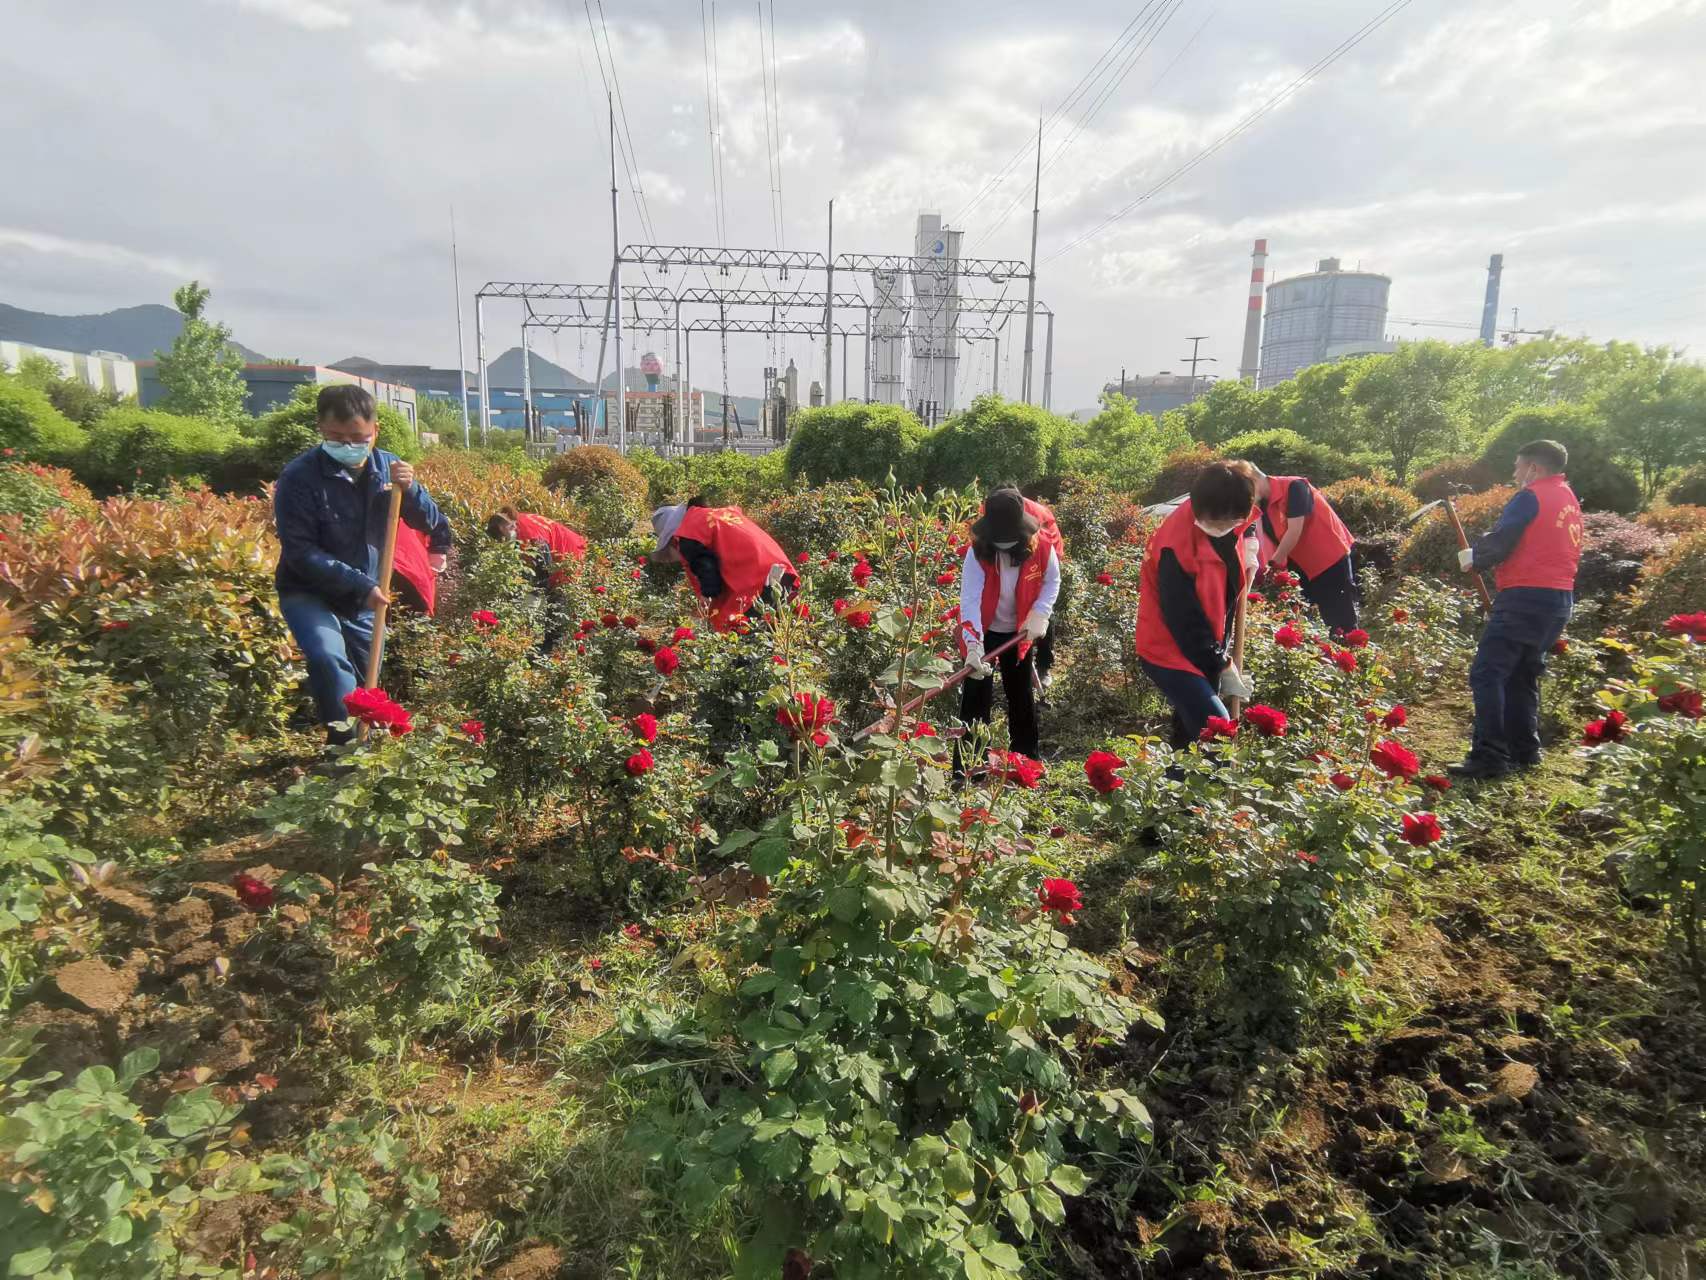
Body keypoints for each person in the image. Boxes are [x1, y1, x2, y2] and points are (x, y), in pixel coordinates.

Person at [274, 385, 453, 741]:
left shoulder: (389, 470)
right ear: (321, 429)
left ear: (376, 431)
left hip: (366, 598)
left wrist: (413, 490)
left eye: (358, 437)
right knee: (329, 660)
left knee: (363, 678)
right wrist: (360, 584)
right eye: (336, 437)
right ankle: (344, 756)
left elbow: (429, 520)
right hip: (310, 590)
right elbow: (301, 552)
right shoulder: (299, 478)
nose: (347, 445)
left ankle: (365, 749)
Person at [1447, 439, 1583, 781]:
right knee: (1523, 675)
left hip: (1525, 597)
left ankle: (1489, 756)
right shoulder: (1567, 497)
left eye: (1518, 466)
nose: (1515, 472)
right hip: (1558, 600)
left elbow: (1505, 537)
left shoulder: (1531, 495)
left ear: (1534, 468)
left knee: (1487, 673)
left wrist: (1475, 559)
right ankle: (1525, 752)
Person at [1134, 462, 1261, 747]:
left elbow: (1246, 519)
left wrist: (1249, 541)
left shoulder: (1230, 511)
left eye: (1232, 522)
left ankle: (1177, 788)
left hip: (1208, 643)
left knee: (1192, 737)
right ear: (1198, 507)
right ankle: (1210, 788)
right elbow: (1184, 621)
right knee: (1217, 731)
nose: (1224, 529)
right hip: (1168, 650)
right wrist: (1223, 664)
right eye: (1217, 522)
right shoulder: (1174, 547)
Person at [956, 486, 1062, 765]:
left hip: (1019, 630)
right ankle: (969, 768)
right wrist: (973, 644)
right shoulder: (976, 553)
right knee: (975, 699)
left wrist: (1040, 613)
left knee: (1021, 696)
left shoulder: (1042, 547)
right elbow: (969, 599)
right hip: (985, 629)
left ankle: (1026, 763)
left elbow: (1053, 582)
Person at [1234, 462, 1359, 634]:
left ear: (1252, 479)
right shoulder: (1262, 505)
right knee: (1305, 620)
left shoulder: (1295, 486)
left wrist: (1272, 566)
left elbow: (1294, 530)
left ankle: (1355, 656)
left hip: (1330, 560)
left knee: (1340, 620)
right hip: (1302, 566)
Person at [650, 497, 798, 630]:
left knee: (742, 636)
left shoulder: (688, 534)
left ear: (671, 537)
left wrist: (706, 597)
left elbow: (708, 573)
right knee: (776, 634)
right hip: (780, 570)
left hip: (758, 582)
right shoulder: (712, 514)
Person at [486, 508, 588, 652]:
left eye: (502, 539)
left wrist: (531, 601)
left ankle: (552, 651)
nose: (502, 543)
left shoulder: (532, 538)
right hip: (560, 551)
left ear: (503, 528)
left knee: (556, 602)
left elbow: (543, 572)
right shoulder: (514, 522)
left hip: (569, 554)